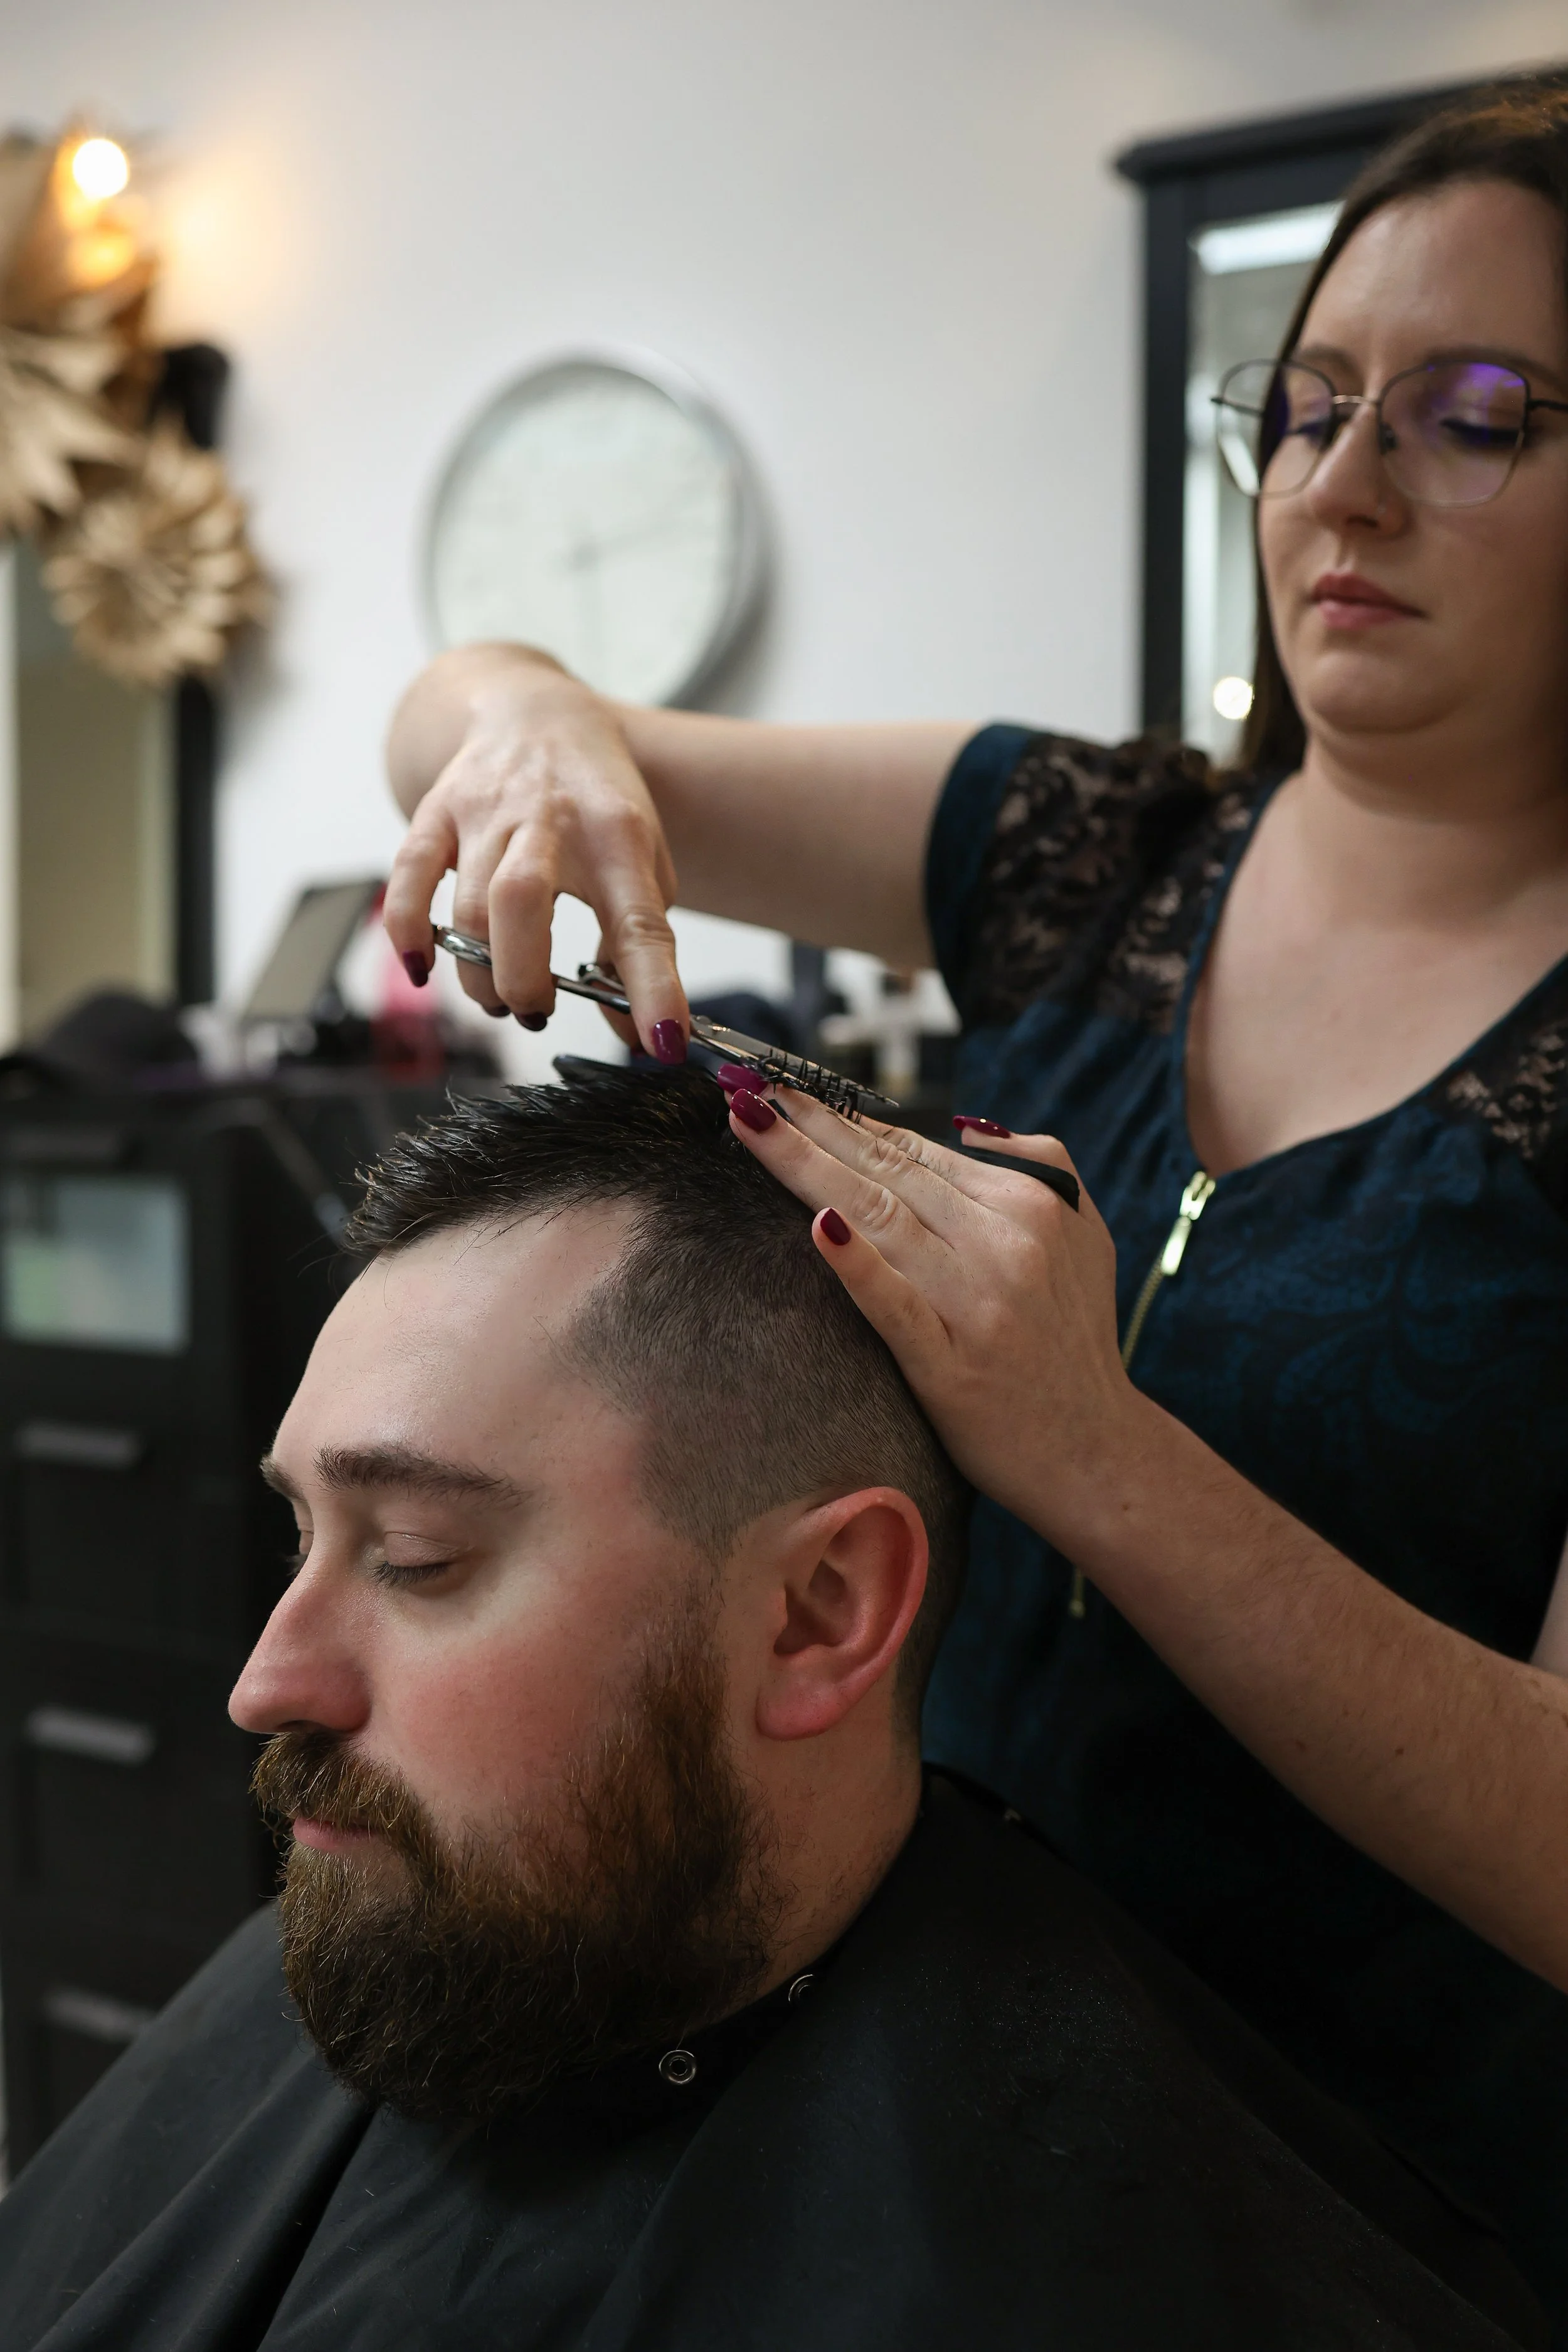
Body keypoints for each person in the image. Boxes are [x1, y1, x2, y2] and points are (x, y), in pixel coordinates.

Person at [379, 78, 1568, 2328]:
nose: (1347, 480)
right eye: (1305, 407)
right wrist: (528, 727)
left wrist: (1093, 1451)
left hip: (1356, 2210)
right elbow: (458, 705)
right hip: (900, 2116)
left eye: (1477, 412)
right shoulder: (1082, 851)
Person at [0, 1066, 1544, 2350]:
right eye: (301, 1535)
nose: (265, 1684)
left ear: (817, 1614)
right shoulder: (428, 1924)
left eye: (415, 1558)